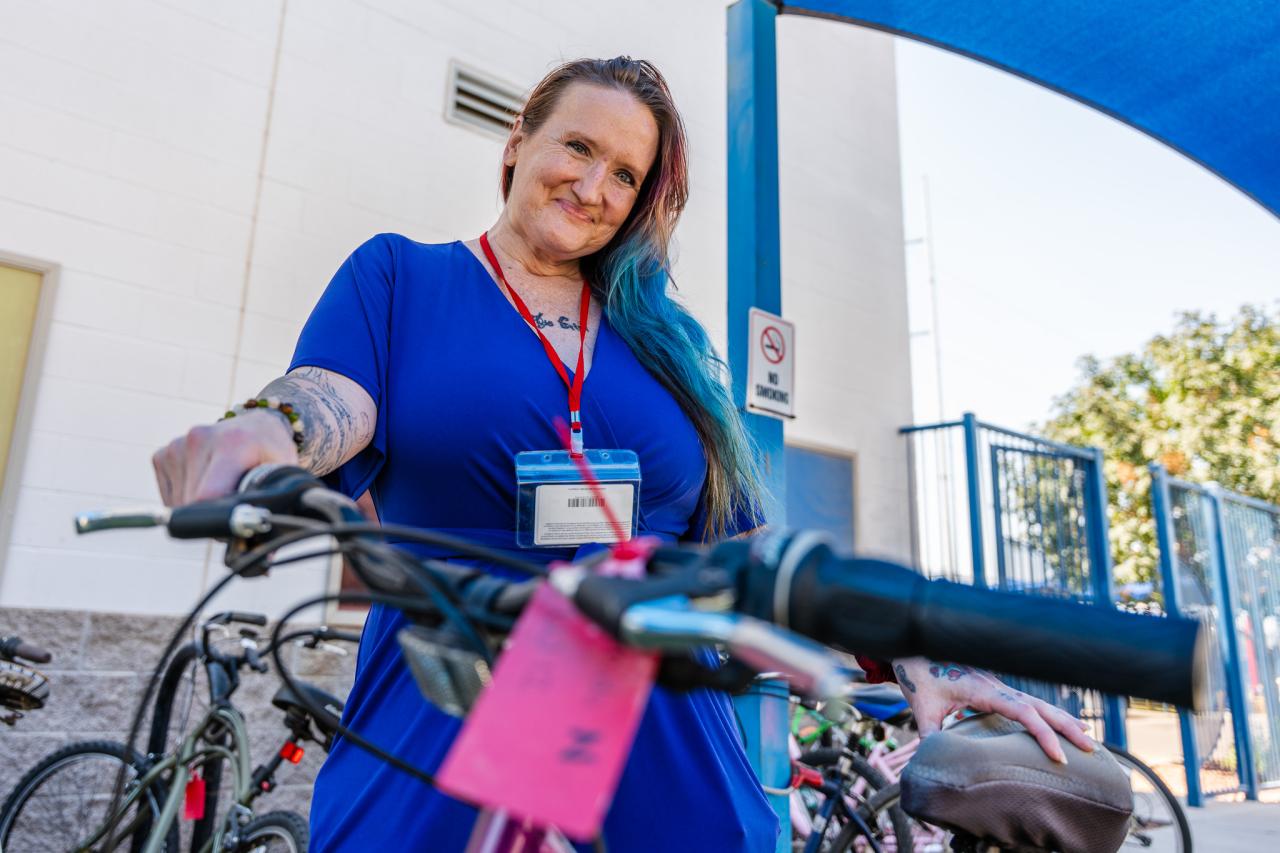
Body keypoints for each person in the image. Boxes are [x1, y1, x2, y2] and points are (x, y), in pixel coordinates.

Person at [153, 56, 1093, 851]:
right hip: (442, 719)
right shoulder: (402, 277)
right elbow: (328, 399)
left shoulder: (666, 341)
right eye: (579, 146)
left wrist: (919, 657)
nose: (594, 188)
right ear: (518, 139)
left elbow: (746, 548)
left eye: (626, 176)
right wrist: (258, 433)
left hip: (662, 739)